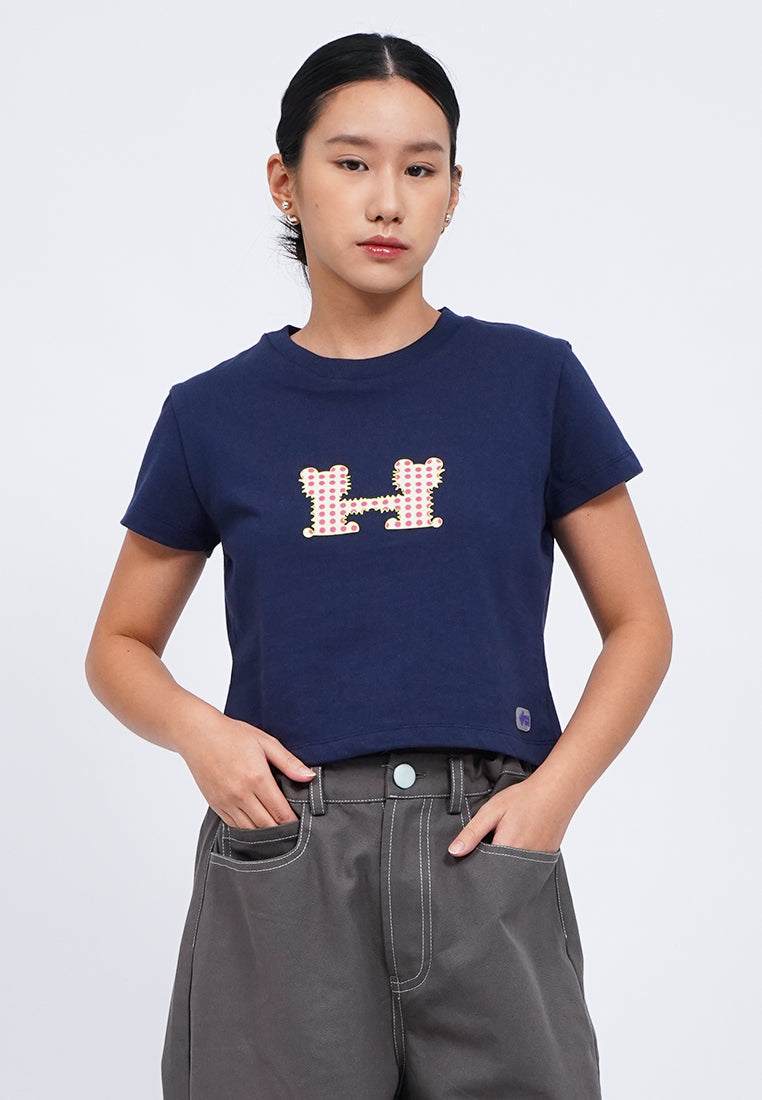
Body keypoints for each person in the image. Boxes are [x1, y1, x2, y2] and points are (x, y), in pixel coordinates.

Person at [85, 31, 672, 1100]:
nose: (388, 200)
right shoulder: (212, 413)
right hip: (286, 852)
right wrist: (202, 735)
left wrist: (553, 797)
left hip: (486, 841)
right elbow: (118, 645)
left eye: (421, 168)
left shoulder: (533, 381)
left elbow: (640, 623)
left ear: (454, 191)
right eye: (352, 162)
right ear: (286, 181)